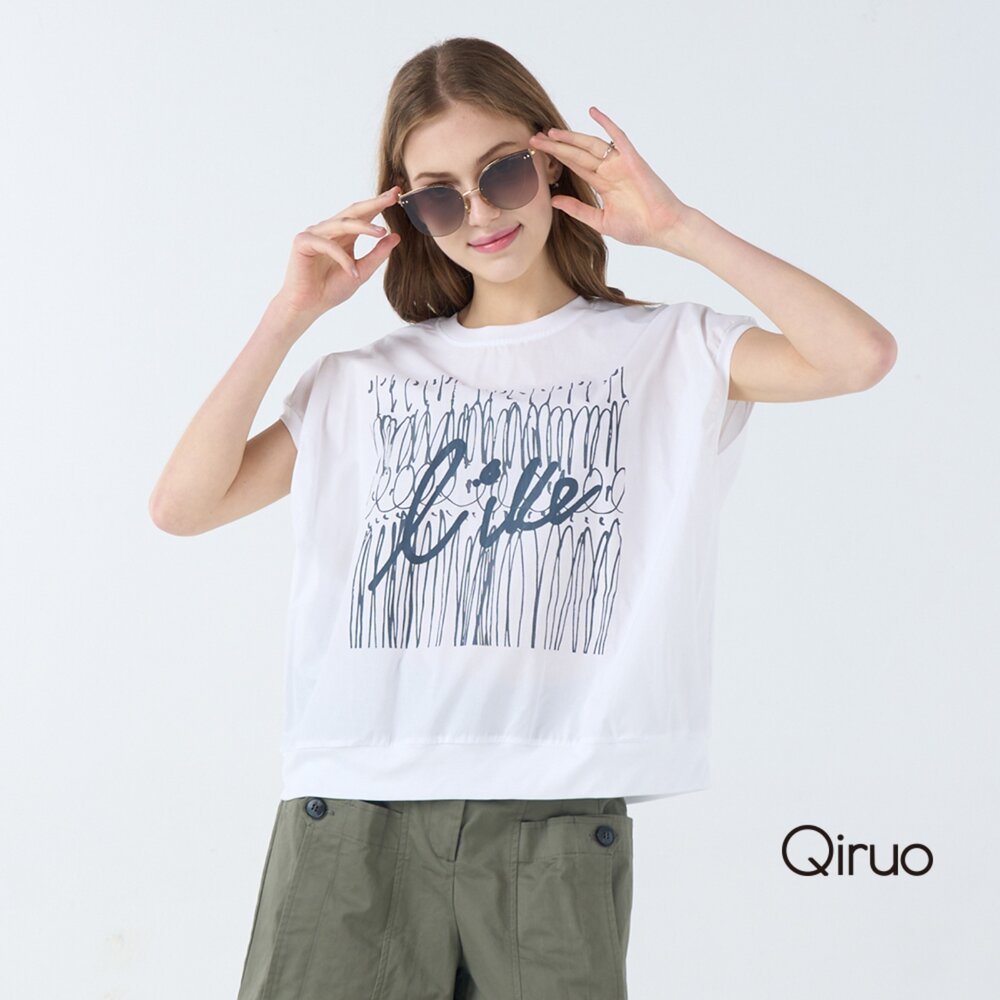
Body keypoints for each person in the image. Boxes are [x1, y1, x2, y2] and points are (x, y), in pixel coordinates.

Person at [149, 35, 896, 1000]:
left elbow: (858, 356)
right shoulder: (362, 381)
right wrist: (289, 315)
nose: (480, 213)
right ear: (410, 215)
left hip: (555, 812)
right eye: (439, 197)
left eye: (502, 173)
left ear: (552, 162)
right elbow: (184, 506)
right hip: (357, 805)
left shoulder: (669, 351)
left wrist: (677, 227)